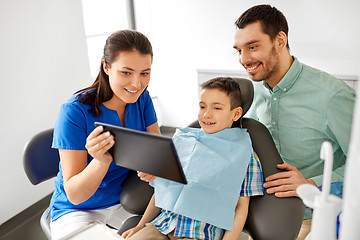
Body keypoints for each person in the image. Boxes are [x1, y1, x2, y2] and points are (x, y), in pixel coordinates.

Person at [232, 4, 356, 239]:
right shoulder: (250, 92)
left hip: (311, 218)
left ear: (280, 40)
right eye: (238, 50)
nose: (244, 59)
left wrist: (311, 183)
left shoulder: (332, 95)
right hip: (255, 210)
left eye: (253, 47)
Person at [48, 30, 160, 240]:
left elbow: (156, 154)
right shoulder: (74, 111)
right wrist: (100, 162)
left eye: (144, 73)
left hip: (126, 199)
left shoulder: (142, 99)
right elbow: (75, 195)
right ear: (106, 66)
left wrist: (153, 167)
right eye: (126, 72)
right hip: (77, 210)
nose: (137, 84)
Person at [122, 77, 264, 240]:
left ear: (236, 113)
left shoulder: (245, 156)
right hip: (162, 225)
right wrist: (141, 225)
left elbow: (241, 207)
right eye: (202, 106)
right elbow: (162, 191)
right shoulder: (183, 141)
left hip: (200, 234)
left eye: (217, 108)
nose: (206, 114)